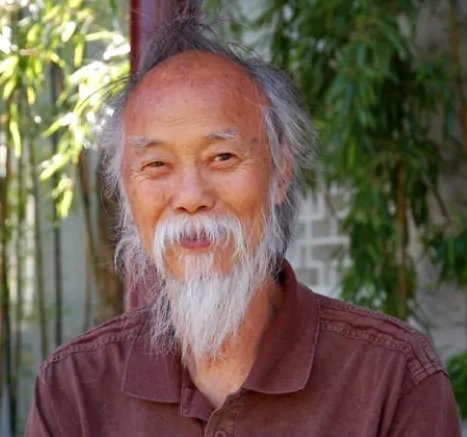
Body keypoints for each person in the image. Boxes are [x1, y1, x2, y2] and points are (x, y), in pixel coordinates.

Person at [26, 17, 462, 437]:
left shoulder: (391, 376)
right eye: (156, 164)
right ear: (124, 188)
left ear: (281, 170)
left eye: (223, 157)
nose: (192, 196)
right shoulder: (75, 390)